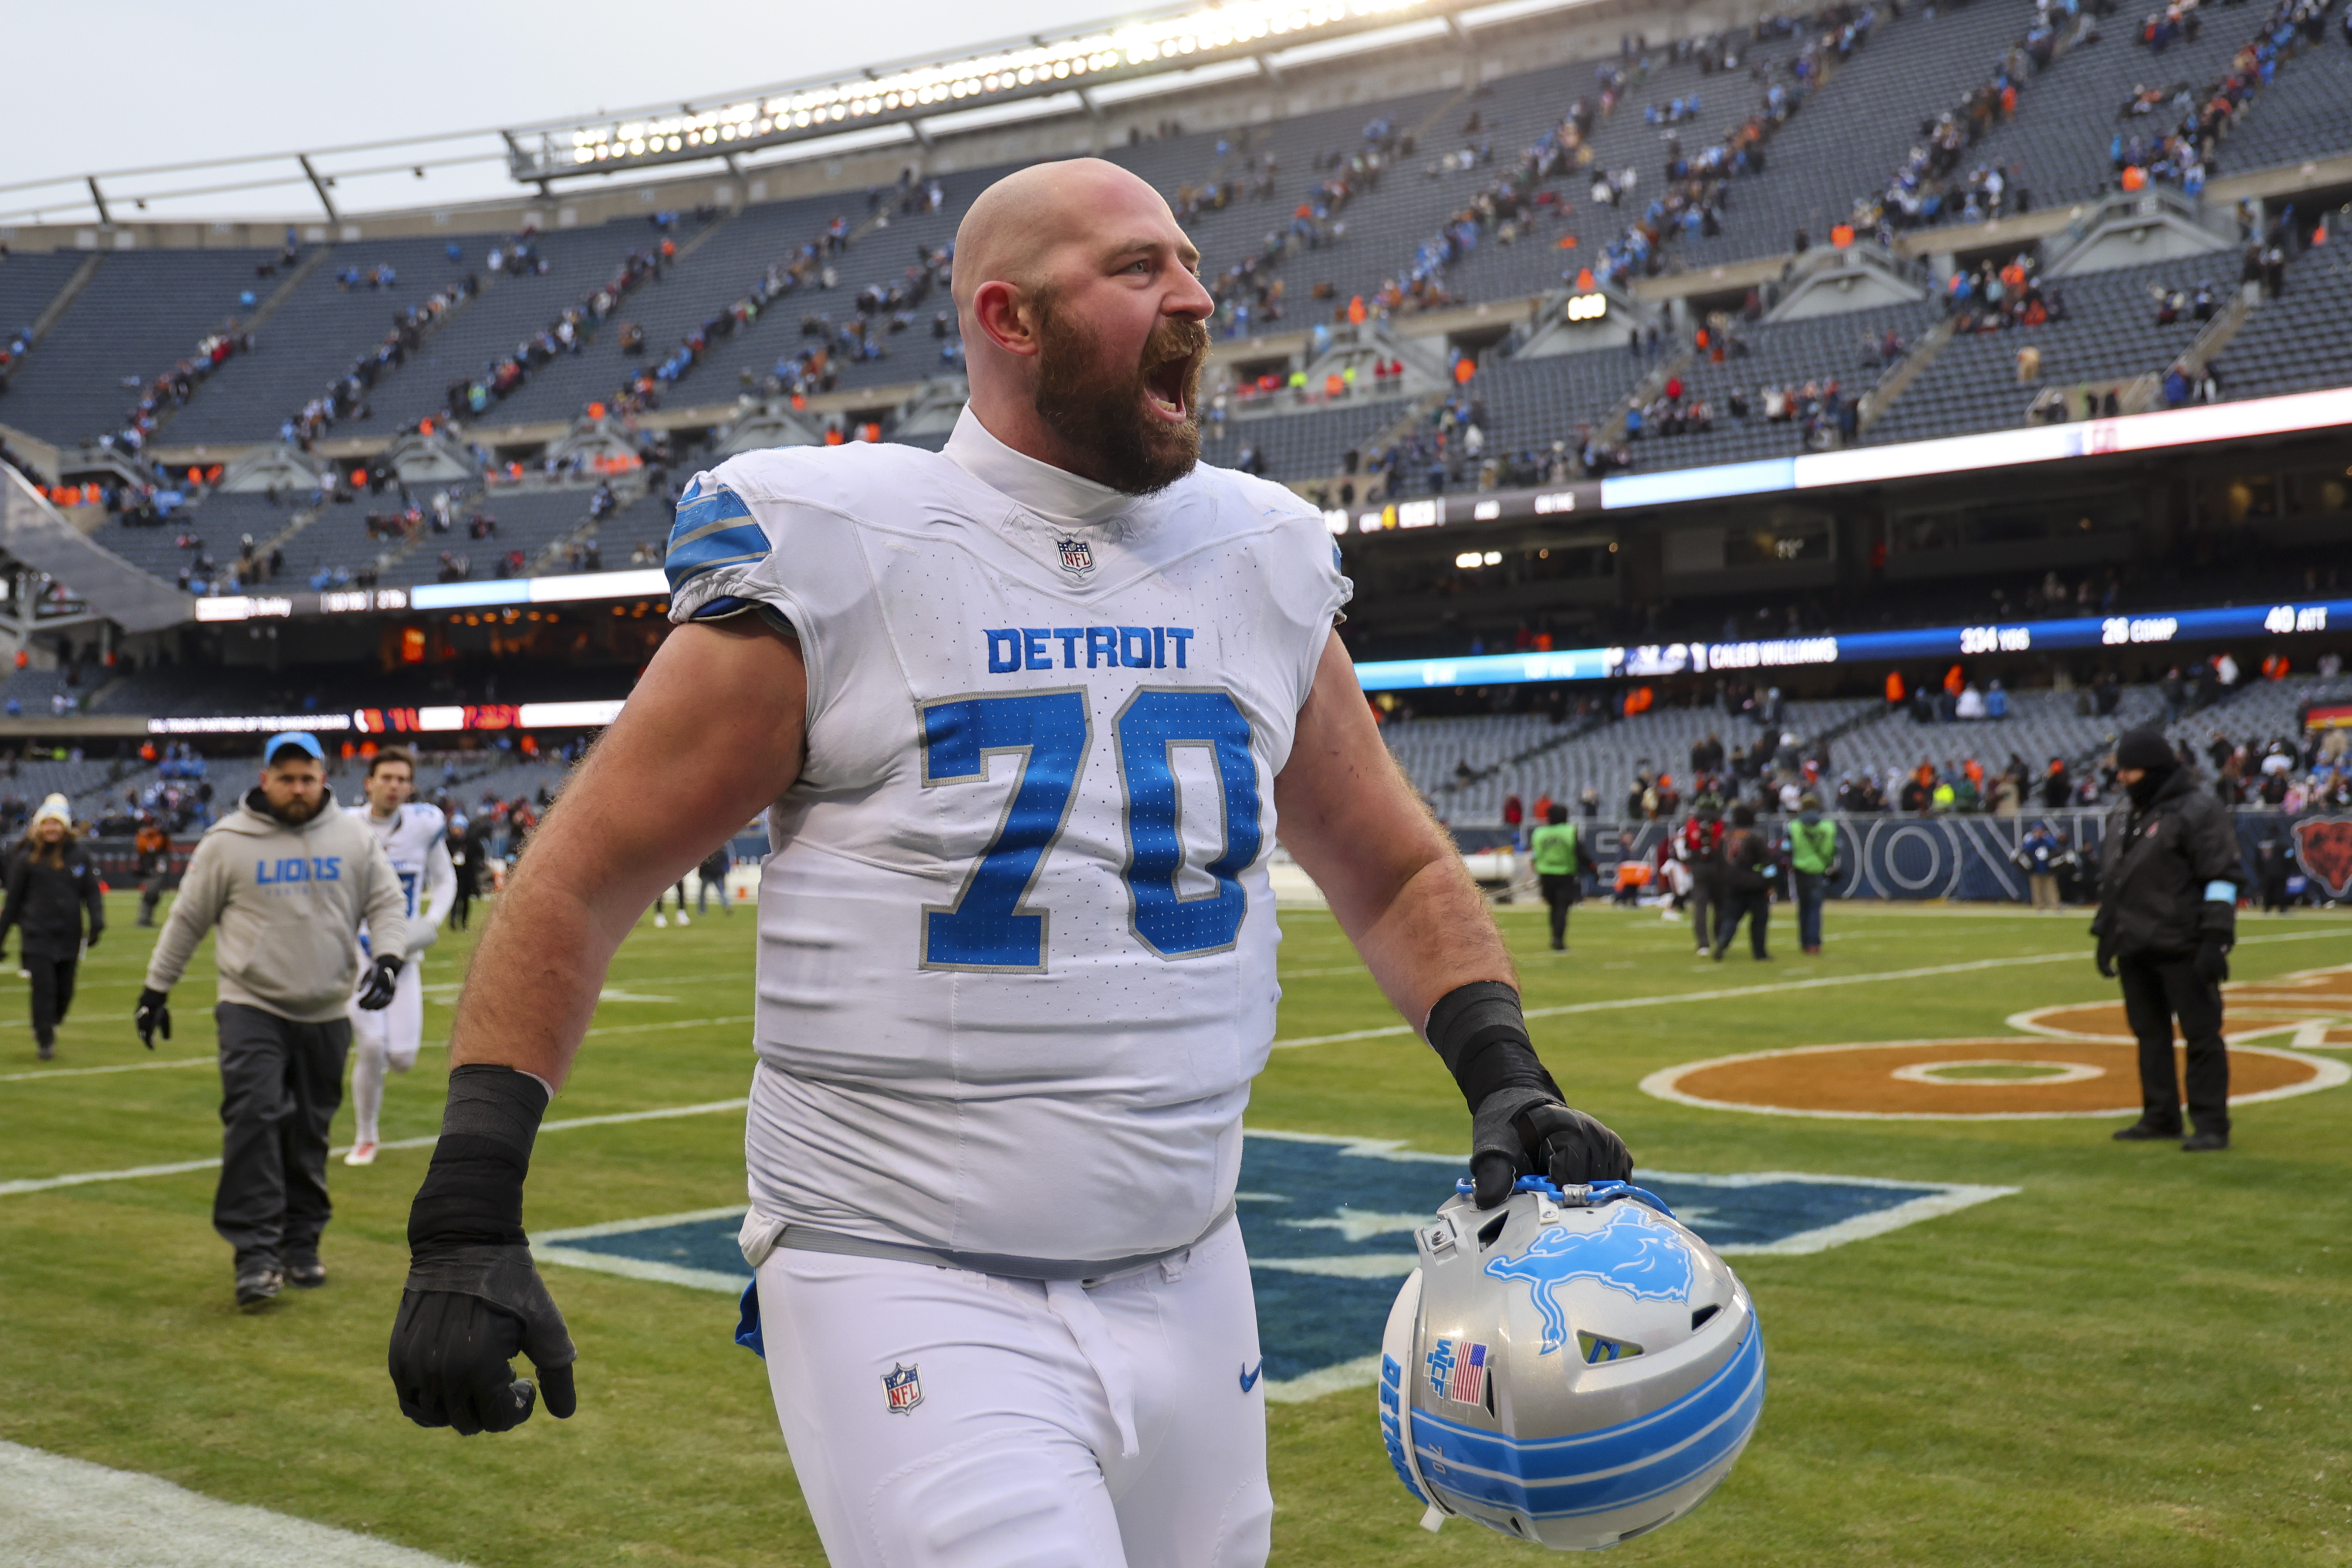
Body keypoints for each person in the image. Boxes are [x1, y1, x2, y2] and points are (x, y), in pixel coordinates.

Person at [382, 157, 1633, 1568]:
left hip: (1193, 1264)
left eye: (1190, 259)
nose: (1197, 295)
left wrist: (1504, 1070)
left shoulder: (1259, 555)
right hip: (900, 1269)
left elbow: (1396, 869)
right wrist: (467, 1203)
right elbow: (582, 874)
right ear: (1010, 317)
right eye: (1140, 268)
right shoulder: (845, 544)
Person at [139, 732, 409, 1307]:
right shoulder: (226, 843)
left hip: (326, 1007)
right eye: (286, 778)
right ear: (264, 780)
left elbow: (386, 903)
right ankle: (255, 1256)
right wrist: (155, 989)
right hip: (251, 1003)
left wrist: (388, 957)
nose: (297, 788)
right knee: (255, 1116)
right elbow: (187, 920)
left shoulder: (354, 838)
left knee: (309, 1130)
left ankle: (301, 1242)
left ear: (324, 779)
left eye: (307, 777)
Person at [2092, 726, 2240, 1152]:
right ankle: (2160, 1114)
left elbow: (2222, 878)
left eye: (2130, 770)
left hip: (2184, 943)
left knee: (2201, 1034)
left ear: (2154, 770)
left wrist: (2216, 938)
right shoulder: (2125, 813)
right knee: (2149, 1034)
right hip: (2135, 943)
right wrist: (2106, 932)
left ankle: (2211, 1123)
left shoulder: (2198, 810)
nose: (2121, 778)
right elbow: (2116, 881)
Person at [344, 749, 457, 1167]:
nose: (394, 786)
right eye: (386, 777)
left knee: (403, 1059)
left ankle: (374, 1066)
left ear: (411, 786)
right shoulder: (344, 827)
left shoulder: (423, 825)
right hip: (356, 950)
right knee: (372, 1044)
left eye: (402, 779)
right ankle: (366, 1137)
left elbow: (446, 880)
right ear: (368, 782)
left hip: (404, 952)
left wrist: (429, 923)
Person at [0, 794, 105, 1061]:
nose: (51, 829)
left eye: (56, 824)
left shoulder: (79, 856)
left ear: (65, 827)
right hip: (37, 933)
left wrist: (97, 921)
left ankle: (51, 1023)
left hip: (69, 933)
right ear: (39, 827)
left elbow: (91, 893)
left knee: (65, 991)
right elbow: (12, 902)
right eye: (47, 824)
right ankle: (45, 1037)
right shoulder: (26, 859)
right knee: (43, 988)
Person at [1528, 803, 1594, 950]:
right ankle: (1558, 938)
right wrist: (1592, 869)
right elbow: (1580, 852)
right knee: (1562, 907)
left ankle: (1555, 935)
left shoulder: (1539, 833)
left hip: (1545, 874)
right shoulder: (1569, 831)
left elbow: (1534, 854)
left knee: (1553, 906)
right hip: (1564, 874)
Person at [1714, 802, 1774, 961]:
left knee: (1731, 917)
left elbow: (1719, 862)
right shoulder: (1756, 837)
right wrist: (1771, 884)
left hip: (1733, 883)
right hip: (1755, 884)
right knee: (1759, 920)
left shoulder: (1726, 836)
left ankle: (1723, 941)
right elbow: (1767, 863)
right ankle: (1760, 953)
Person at [1786, 792, 1836, 956]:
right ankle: (1814, 943)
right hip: (1818, 870)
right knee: (1815, 908)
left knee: (1804, 908)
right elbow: (1832, 849)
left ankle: (1804, 941)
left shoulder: (1794, 827)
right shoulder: (1828, 827)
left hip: (1800, 870)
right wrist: (1827, 864)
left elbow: (1787, 849)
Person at [1684, 808, 1724, 957]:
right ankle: (1720, 939)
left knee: (1700, 907)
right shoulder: (1720, 823)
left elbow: (1687, 844)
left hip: (1699, 866)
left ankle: (1703, 943)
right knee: (1719, 905)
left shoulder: (1692, 823)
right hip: (1717, 867)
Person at [134, 817, 172, 926]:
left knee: (155, 895)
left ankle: (146, 918)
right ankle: (143, 919)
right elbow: (148, 847)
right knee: (150, 894)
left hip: (156, 868)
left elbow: (164, 849)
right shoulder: (146, 836)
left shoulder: (161, 836)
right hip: (149, 868)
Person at [2017, 821, 2064, 910]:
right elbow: (2025, 849)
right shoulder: (2031, 841)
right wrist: (2035, 839)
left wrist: (2045, 838)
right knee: (2036, 889)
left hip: (2048, 869)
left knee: (2050, 888)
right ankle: (2038, 905)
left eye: (2040, 831)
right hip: (2035, 869)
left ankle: (2054, 905)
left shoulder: (2047, 840)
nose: (2038, 833)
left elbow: (2054, 846)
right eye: (2036, 831)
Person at [446, 816, 481, 930]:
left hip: (468, 875)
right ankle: (453, 920)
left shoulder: (471, 841)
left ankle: (464, 923)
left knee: (466, 899)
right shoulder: (448, 842)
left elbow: (480, 854)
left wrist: (477, 864)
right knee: (454, 898)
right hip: (453, 874)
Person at [696, 841, 733, 915]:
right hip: (716, 874)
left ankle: (702, 910)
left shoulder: (706, 852)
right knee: (722, 892)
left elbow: (701, 863)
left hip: (708, 874)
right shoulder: (721, 851)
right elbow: (726, 862)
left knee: (703, 893)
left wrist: (701, 874)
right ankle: (727, 906)